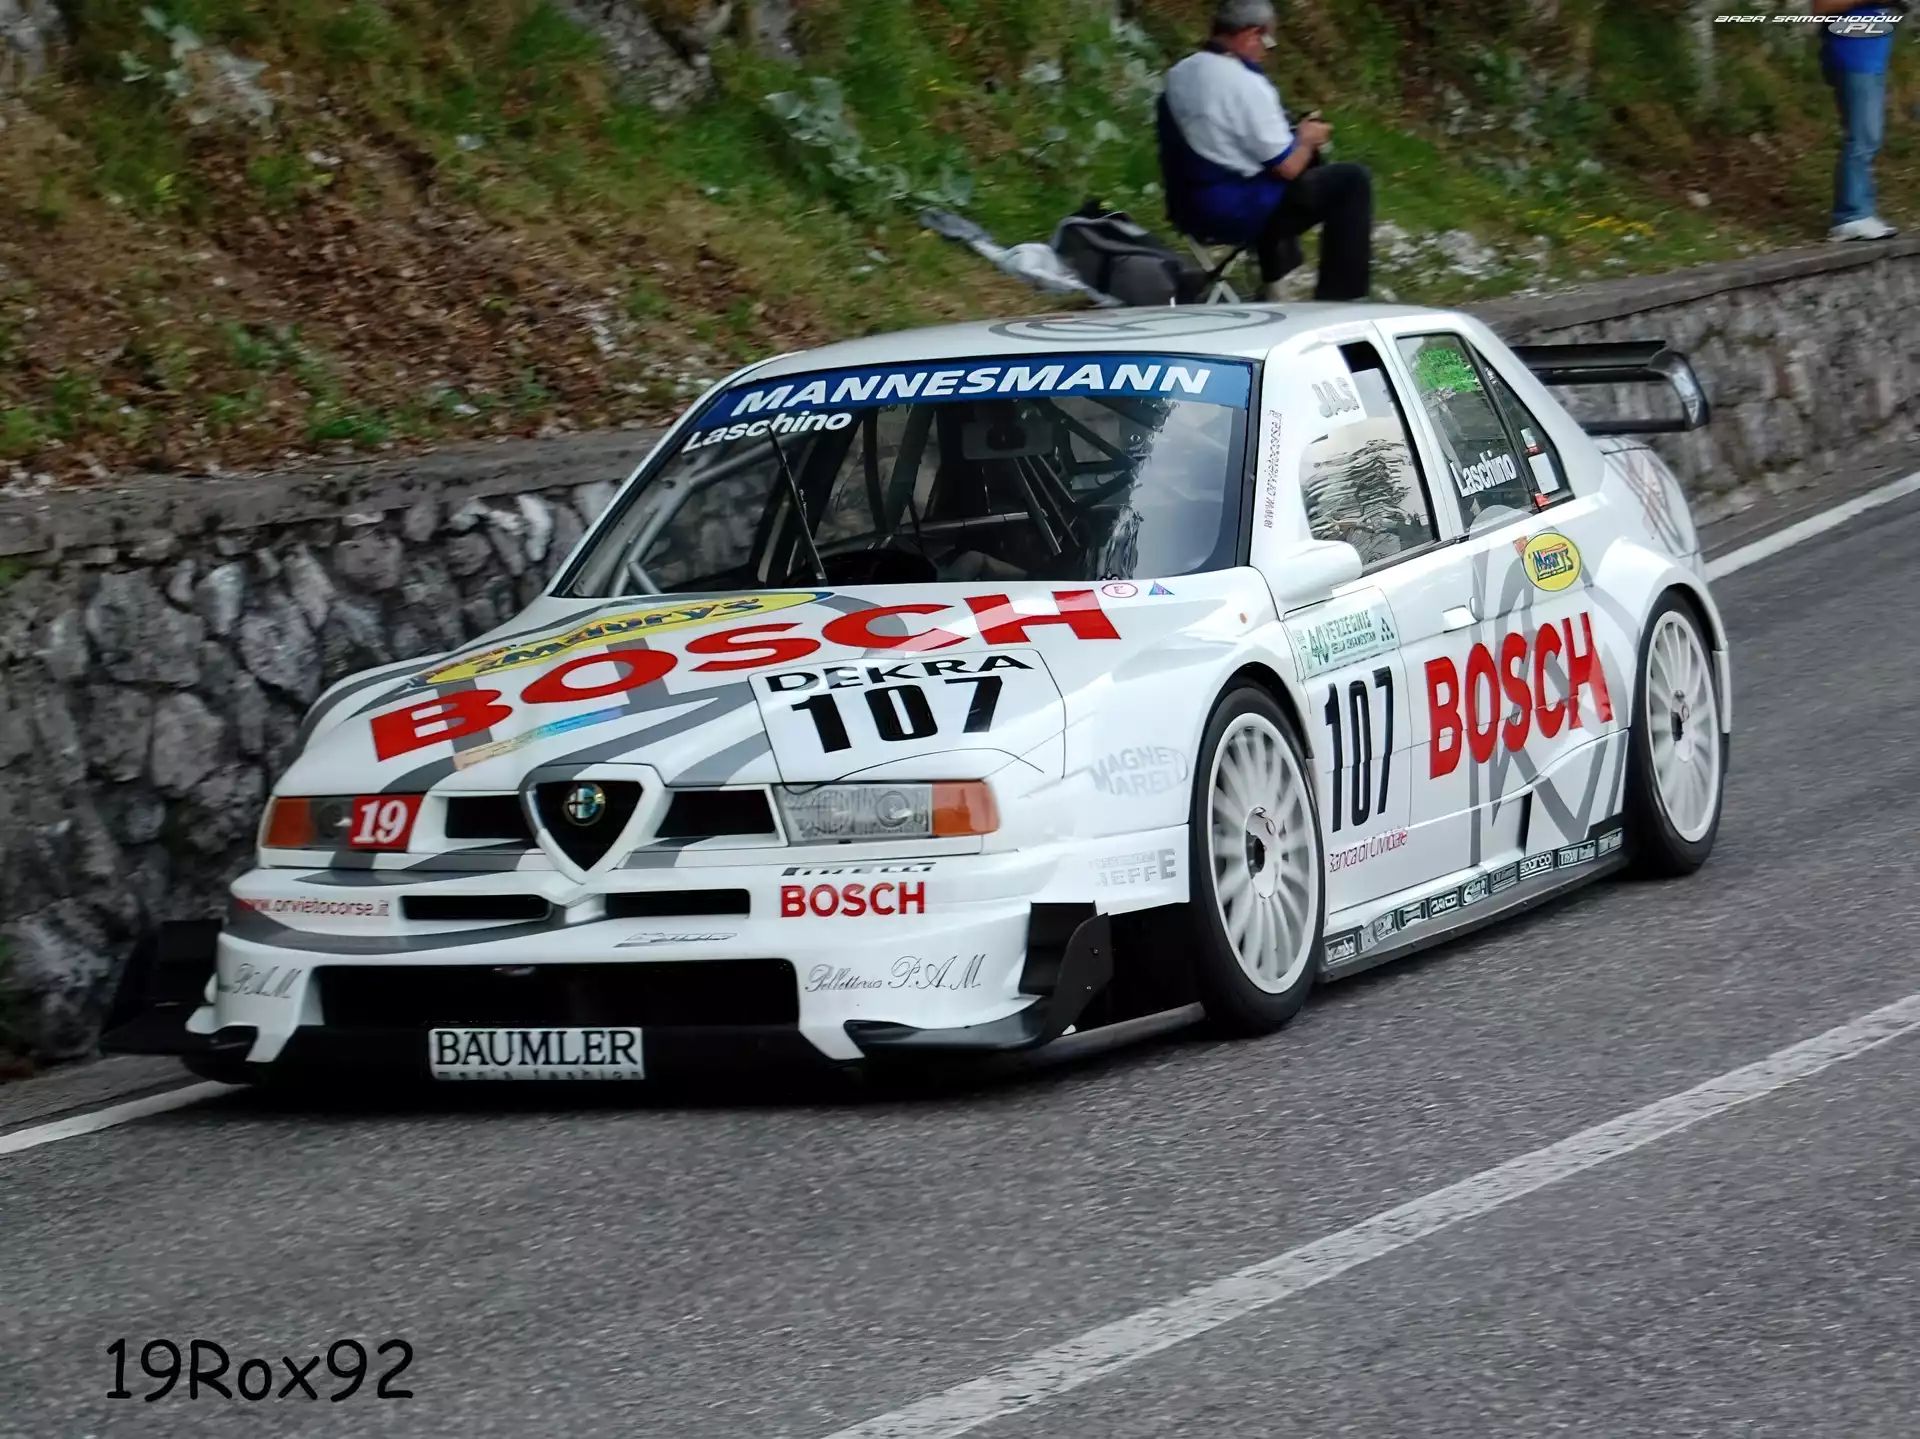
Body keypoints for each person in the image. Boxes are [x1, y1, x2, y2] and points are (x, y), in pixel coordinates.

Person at [1160, 0, 1372, 301]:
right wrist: (1307, 138)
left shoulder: (1180, 73)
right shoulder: (1245, 84)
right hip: (1230, 214)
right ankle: (1341, 299)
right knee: (1351, 181)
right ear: (1251, 35)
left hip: (1186, 207)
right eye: (1268, 40)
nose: (1267, 50)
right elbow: (1288, 167)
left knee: (1290, 173)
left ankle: (1276, 280)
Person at [1814, 1, 1902, 241]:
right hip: (1853, 56)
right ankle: (1850, 216)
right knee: (1862, 135)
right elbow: (1820, 7)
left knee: (1869, 137)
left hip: (1871, 56)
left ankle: (1860, 213)